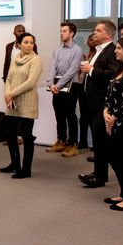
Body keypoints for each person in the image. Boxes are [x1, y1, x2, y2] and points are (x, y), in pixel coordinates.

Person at [79, 20, 119, 188]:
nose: (94, 33)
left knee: (101, 141)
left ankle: (100, 177)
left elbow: (113, 75)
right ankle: (98, 173)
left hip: (103, 103)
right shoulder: (98, 50)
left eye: (98, 30)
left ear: (107, 34)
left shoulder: (112, 51)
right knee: (97, 140)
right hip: (92, 102)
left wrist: (92, 70)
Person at [0, 32, 42, 179]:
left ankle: (26, 169)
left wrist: (11, 94)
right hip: (12, 102)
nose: (29, 45)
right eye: (26, 42)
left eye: (31, 42)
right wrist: (8, 94)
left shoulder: (36, 60)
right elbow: (9, 78)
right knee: (9, 134)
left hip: (27, 102)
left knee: (26, 136)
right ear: (19, 44)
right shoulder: (16, 58)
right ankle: (15, 164)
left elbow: (30, 83)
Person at [45, 23, 83, 157]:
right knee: (59, 114)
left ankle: (73, 145)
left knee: (70, 115)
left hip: (72, 85)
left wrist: (58, 85)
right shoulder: (57, 49)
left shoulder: (77, 50)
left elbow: (72, 71)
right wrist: (50, 84)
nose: (61, 33)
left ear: (72, 33)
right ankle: (61, 141)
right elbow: (52, 67)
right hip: (57, 85)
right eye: (61, 31)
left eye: (64, 31)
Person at [103, 37, 123, 211]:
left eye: (119, 48)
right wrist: (106, 112)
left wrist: (115, 117)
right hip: (113, 120)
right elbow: (109, 96)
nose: (115, 51)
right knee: (115, 158)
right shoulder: (120, 70)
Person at [78, 33, 97, 150]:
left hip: (92, 90)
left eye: (92, 39)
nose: (90, 42)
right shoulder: (88, 54)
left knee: (92, 119)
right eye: (89, 40)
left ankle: (95, 144)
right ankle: (83, 141)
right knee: (84, 117)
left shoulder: (98, 54)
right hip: (82, 87)